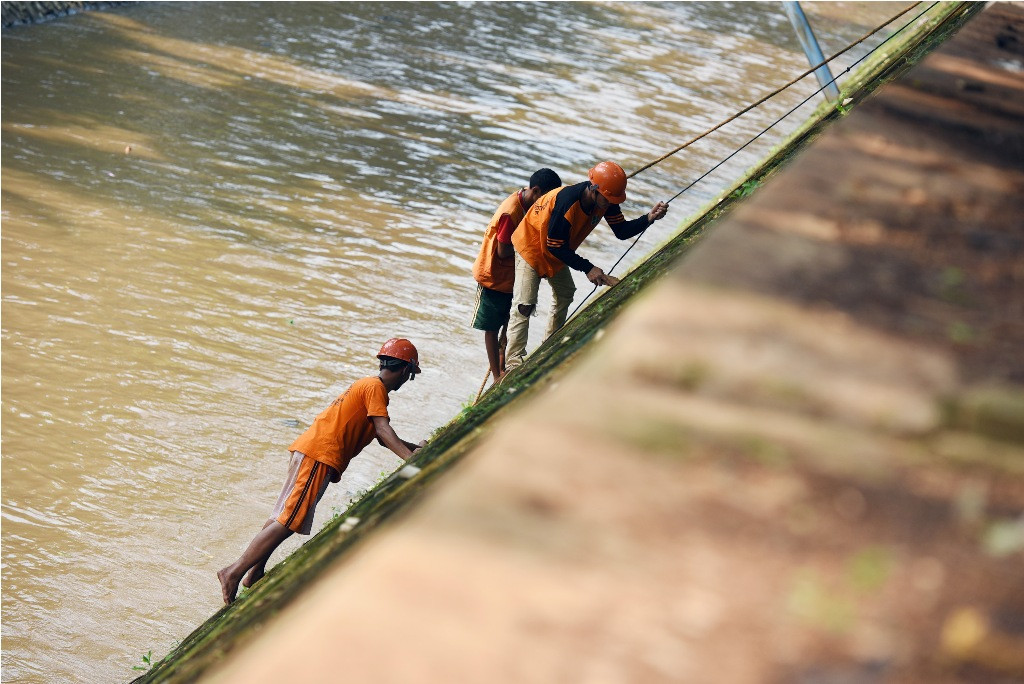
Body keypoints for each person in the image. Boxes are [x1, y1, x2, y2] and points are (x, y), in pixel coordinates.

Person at [217, 338, 426, 604]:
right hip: (320, 454)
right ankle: (233, 572)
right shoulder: (375, 388)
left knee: (284, 514)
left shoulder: (368, 386)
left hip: (310, 450)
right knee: (291, 518)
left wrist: (413, 448)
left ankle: (254, 571)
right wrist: (411, 460)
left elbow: (380, 435)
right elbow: (384, 429)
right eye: (410, 375)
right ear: (406, 371)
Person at [505, 161, 669, 368]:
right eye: (607, 199)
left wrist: (649, 218)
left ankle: (548, 345)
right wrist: (589, 268)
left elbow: (621, 231)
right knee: (524, 305)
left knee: (565, 293)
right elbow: (555, 246)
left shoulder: (605, 200)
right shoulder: (567, 202)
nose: (610, 204)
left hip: (557, 249)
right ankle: (513, 363)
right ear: (593, 189)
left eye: (613, 200)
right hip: (531, 247)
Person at [471, 168, 562, 382]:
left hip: (512, 277)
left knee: (510, 322)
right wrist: (529, 248)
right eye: (546, 198)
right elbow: (502, 251)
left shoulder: (530, 204)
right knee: (492, 328)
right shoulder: (511, 212)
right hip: (494, 278)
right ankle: (496, 375)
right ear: (536, 191)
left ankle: (504, 365)